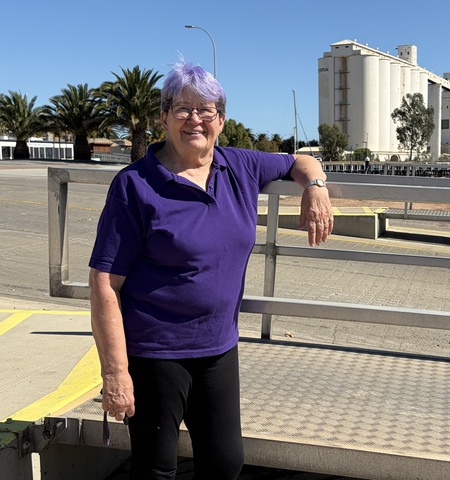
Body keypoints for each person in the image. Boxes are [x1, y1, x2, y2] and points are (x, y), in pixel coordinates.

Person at [88, 61, 333, 479]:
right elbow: (104, 283)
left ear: (221, 119)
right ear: (164, 118)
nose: (194, 119)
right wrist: (115, 373)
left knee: (224, 464)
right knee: (154, 470)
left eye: (206, 109)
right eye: (182, 109)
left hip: (218, 348)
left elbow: (301, 160)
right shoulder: (135, 185)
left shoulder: (240, 166)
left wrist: (315, 187)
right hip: (155, 352)